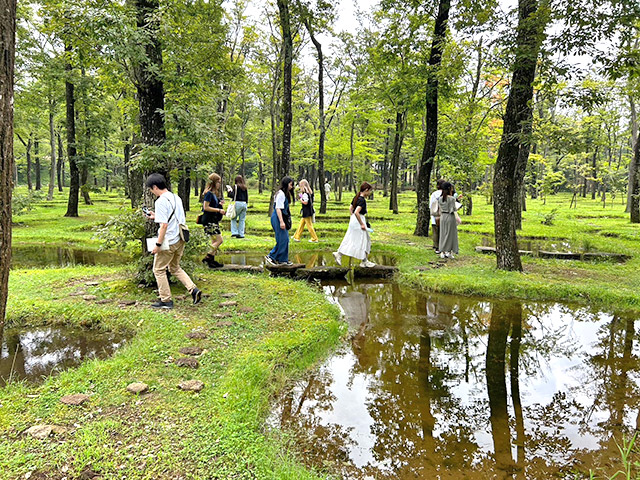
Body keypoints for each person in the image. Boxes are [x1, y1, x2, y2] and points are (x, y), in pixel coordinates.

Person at [145, 173, 202, 309]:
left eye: (151, 190)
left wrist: (158, 245)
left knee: (158, 270)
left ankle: (166, 300)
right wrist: (155, 216)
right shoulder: (176, 198)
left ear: (154, 187)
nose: (151, 192)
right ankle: (193, 289)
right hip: (180, 239)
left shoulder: (160, 201)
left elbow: (164, 225)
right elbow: (173, 218)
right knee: (175, 267)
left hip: (168, 241)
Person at [333, 182, 375, 268]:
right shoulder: (362, 200)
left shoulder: (356, 197)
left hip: (354, 221)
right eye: (369, 191)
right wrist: (362, 224)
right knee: (364, 241)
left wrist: (353, 218)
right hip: (359, 221)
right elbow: (356, 212)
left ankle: (339, 254)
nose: (369, 193)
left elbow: (350, 208)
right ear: (366, 190)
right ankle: (364, 261)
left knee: (352, 239)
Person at [265, 177, 294, 266]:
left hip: (280, 217)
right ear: (286, 184)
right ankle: (271, 256)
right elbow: (278, 208)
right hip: (278, 217)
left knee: (284, 239)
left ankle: (282, 259)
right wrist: (281, 222)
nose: (292, 187)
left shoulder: (284, 194)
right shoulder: (281, 194)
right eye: (291, 184)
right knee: (283, 239)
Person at [202, 173, 225, 268]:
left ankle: (211, 261)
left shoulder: (214, 194)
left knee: (214, 241)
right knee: (219, 240)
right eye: (218, 182)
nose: (219, 184)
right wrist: (219, 210)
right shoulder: (209, 194)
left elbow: (213, 206)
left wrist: (219, 204)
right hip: (209, 220)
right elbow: (206, 207)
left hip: (213, 219)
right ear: (213, 182)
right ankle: (208, 257)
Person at [437, 182, 460, 259]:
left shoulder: (440, 199)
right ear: (449, 188)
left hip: (443, 217)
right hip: (450, 217)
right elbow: (453, 209)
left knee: (443, 233)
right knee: (450, 234)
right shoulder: (451, 199)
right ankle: (449, 251)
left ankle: (442, 251)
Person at [293, 179, 318, 243]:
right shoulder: (310, 192)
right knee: (301, 224)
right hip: (308, 210)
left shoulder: (305, 194)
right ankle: (296, 236)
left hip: (306, 211)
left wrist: (301, 199)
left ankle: (314, 238)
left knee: (309, 226)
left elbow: (306, 202)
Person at [429, 179, 445, 253]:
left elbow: (431, 205)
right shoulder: (446, 194)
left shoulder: (434, 194)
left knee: (435, 231)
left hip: (435, 215)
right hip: (444, 215)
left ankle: (436, 246)